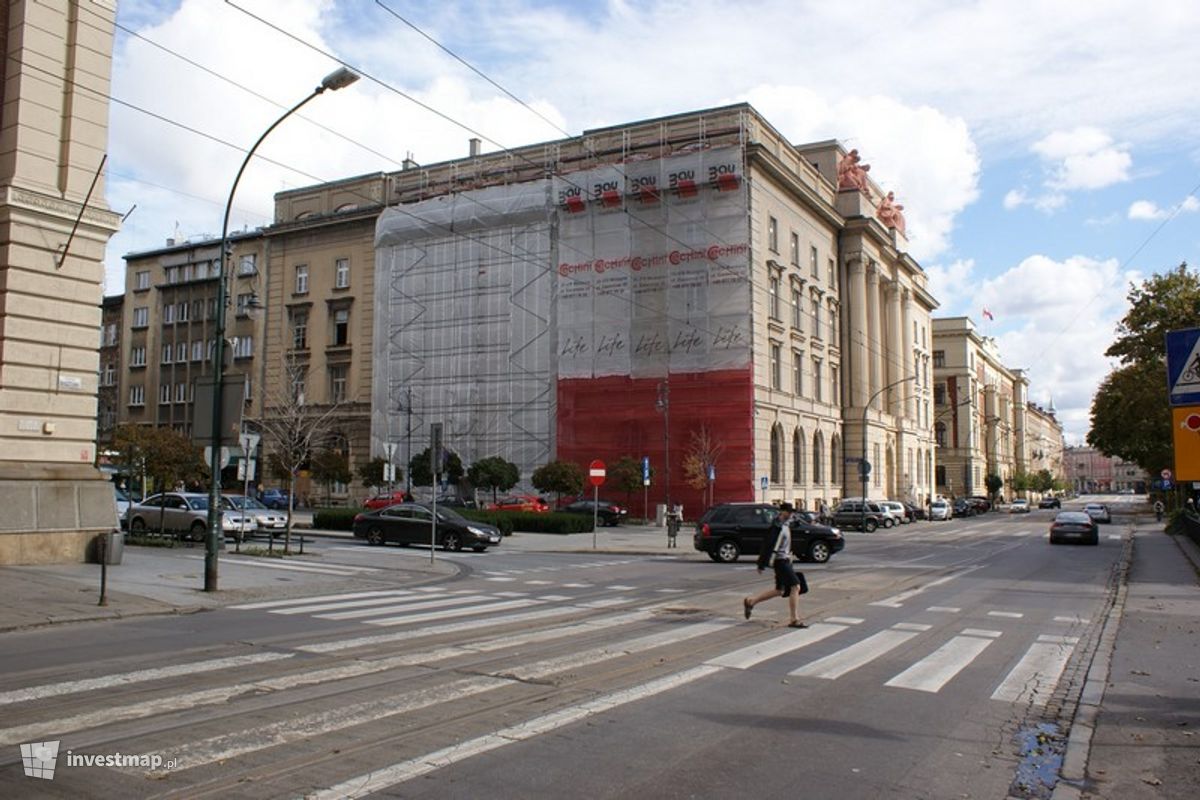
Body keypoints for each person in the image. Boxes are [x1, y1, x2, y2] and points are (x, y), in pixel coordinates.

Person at [743, 503, 807, 628]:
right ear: (782, 512)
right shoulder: (776, 527)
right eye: (788, 512)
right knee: (795, 587)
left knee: (780, 590)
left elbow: (794, 530)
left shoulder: (786, 524)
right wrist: (761, 563)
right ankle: (794, 619)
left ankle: (751, 602)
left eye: (791, 512)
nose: (790, 514)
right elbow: (767, 545)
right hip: (780, 561)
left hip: (786, 560)